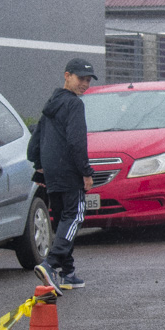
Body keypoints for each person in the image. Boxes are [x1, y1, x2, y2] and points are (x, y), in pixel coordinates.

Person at [29, 57, 98, 295]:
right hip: (69, 172)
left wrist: (38, 164)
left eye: (88, 80)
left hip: (52, 172)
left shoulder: (51, 103)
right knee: (75, 216)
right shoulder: (74, 105)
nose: (85, 84)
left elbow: (36, 139)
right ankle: (51, 264)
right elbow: (77, 142)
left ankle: (67, 273)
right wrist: (86, 172)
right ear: (67, 75)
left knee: (61, 220)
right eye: (81, 78)